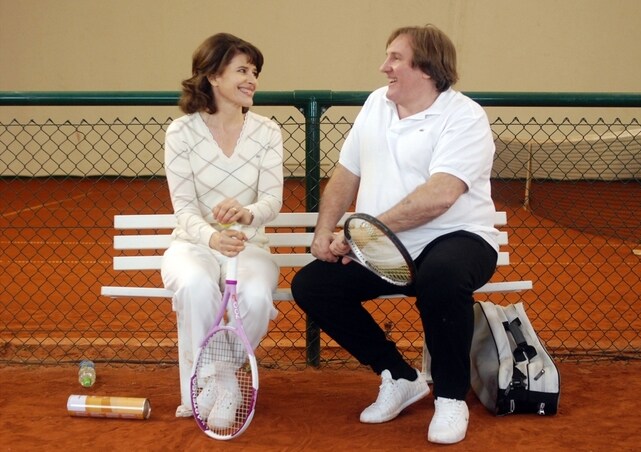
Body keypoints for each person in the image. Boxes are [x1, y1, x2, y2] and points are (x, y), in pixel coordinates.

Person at [291, 25, 499, 445]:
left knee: (441, 278)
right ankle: (400, 376)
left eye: (395, 58)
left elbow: (441, 195)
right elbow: (347, 172)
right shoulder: (375, 104)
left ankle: (450, 397)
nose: (384, 67)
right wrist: (325, 230)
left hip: (458, 237)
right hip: (382, 245)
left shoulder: (465, 116)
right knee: (312, 285)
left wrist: (361, 233)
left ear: (426, 69)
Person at [161, 33, 283, 425]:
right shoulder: (181, 133)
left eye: (255, 72)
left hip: (249, 244)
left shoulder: (267, 132)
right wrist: (212, 237)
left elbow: (272, 201)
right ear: (213, 76)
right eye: (242, 71)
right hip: (192, 244)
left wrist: (246, 214)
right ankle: (223, 381)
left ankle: (217, 375)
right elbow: (183, 208)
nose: (252, 80)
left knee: (258, 296)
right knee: (195, 285)